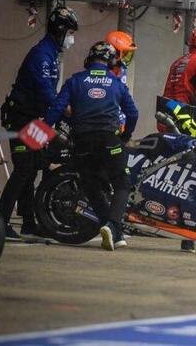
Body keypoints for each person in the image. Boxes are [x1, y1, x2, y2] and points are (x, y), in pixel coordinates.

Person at [44, 42, 138, 251]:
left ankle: (115, 232)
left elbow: (57, 107)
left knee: (91, 185)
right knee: (122, 184)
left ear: (90, 59)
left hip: (82, 141)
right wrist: (126, 135)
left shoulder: (75, 80)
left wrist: (43, 130)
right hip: (109, 140)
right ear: (111, 61)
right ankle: (113, 225)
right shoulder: (116, 83)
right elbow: (133, 113)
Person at [0, 5, 78, 240]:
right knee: (24, 168)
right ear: (60, 30)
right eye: (71, 33)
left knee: (34, 166)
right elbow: (47, 93)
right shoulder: (42, 55)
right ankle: (1, 221)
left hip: (32, 119)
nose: (72, 39)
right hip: (20, 118)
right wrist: (66, 111)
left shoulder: (52, 54)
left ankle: (29, 222)